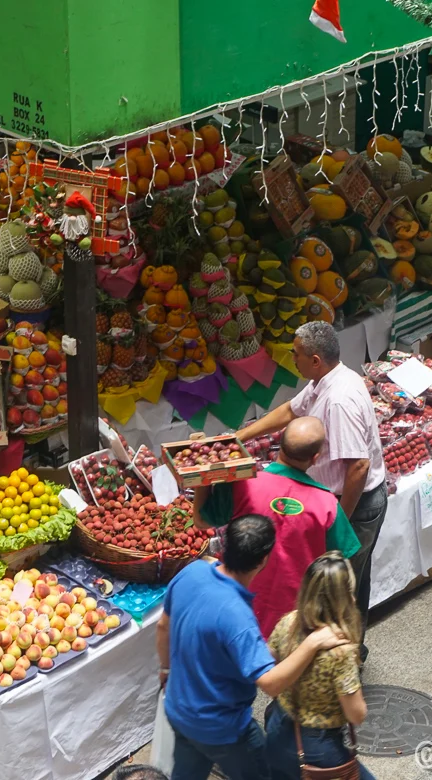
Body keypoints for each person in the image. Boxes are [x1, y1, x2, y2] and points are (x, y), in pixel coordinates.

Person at [157, 515, 348, 780]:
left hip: (180, 711)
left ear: (224, 545)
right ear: (263, 560)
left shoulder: (192, 572)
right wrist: (312, 643)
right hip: (224, 731)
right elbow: (270, 683)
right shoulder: (238, 618)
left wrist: (166, 669)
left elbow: (163, 627)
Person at [237, 322, 386, 659]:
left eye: (297, 355)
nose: (292, 359)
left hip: (356, 505)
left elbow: (358, 467)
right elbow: (291, 410)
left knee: (340, 586)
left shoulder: (338, 401)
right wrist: (239, 437)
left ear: (316, 360)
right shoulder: (325, 381)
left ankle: (340, 664)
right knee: (351, 580)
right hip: (342, 501)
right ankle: (346, 651)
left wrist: (338, 522)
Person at [191, 416, 360, 637]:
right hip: (297, 621)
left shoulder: (244, 484)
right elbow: (341, 563)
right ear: (316, 458)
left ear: (280, 444)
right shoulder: (328, 505)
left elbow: (201, 521)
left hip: (241, 608)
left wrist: (200, 475)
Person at [265, 552, 373, 780]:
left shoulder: (288, 622)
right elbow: (356, 715)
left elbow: (270, 661)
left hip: (278, 727)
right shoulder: (340, 652)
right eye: (350, 593)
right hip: (319, 747)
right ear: (343, 600)